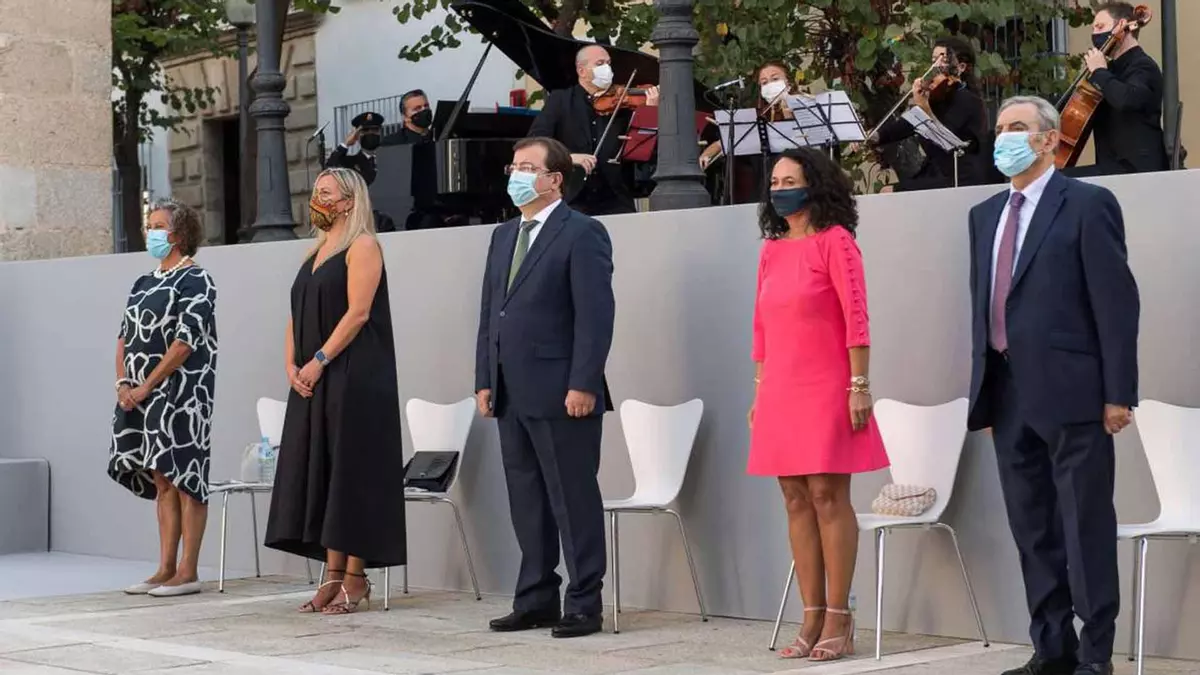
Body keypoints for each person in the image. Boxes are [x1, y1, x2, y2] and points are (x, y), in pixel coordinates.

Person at [968, 96, 1139, 675]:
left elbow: (1116, 303)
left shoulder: (1087, 204)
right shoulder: (984, 215)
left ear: (1047, 140)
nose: (1004, 137)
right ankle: (1051, 649)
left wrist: (1119, 393)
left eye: (1017, 127)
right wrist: (985, 389)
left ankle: (1095, 656)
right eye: (1000, 128)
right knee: (1033, 528)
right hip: (1007, 392)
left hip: (1074, 393)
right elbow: (986, 306)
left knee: (1084, 523)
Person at [747, 148, 889, 662]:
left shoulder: (836, 241)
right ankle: (809, 615)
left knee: (828, 494)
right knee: (793, 497)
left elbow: (857, 316)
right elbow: (761, 327)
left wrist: (859, 384)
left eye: (791, 180)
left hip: (828, 383)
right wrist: (759, 391)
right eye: (775, 182)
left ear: (816, 185)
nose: (780, 189)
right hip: (780, 386)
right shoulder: (771, 250)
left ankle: (838, 616)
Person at [474, 136, 615, 638]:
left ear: (554, 179)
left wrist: (583, 383)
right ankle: (536, 598)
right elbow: (491, 313)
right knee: (527, 500)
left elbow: (595, 317)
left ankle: (584, 603)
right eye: (513, 166)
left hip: (562, 392)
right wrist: (484, 379)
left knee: (572, 498)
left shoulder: (582, 232)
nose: (516, 174)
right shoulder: (503, 236)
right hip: (510, 390)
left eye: (527, 167)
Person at [264, 167, 407, 615]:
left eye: (325, 193)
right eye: (316, 191)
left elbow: (359, 313)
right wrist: (291, 364)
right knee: (323, 471)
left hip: (353, 375)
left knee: (352, 473)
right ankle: (332, 573)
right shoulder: (314, 253)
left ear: (348, 201)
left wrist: (320, 360)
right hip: (313, 378)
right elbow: (295, 315)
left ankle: (355, 577)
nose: (317, 199)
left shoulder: (363, 246)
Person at [109, 200, 217, 598]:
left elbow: (185, 342)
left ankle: (189, 572)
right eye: (150, 225)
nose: (151, 232)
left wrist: (147, 385)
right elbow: (124, 337)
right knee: (162, 477)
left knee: (186, 476)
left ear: (178, 233)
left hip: (183, 394)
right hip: (141, 396)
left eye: (158, 226)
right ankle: (165, 568)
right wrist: (124, 384)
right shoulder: (142, 283)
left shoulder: (196, 280)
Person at [527, 44, 659, 216]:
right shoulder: (560, 100)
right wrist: (569, 158)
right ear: (581, 71)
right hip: (572, 196)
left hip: (615, 196)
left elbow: (642, 150)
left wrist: (650, 111)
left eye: (608, 63)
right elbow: (535, 144)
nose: (607, 69)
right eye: (599, 63)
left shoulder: (623, 103)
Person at [870, 37, 990, 191]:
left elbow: (945, 138)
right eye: (934, 61)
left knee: (888, 191)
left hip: (960, 176)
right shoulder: (937, 97)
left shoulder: (968, 100)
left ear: (960, 67)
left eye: (943, 61)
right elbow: (905, 125)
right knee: (888, 190)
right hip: (936, 173)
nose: (935, 67)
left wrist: (924, 107)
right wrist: (874, 136)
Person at [1077, 1, 1168, 174]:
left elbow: (1126, 99)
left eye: (1100, 27)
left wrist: (1099, 71)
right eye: (1093, 29)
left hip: (1137, 169)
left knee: (1057, 182)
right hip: (1112, 167)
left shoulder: (1143, 66)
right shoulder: (1110, 69)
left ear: (1121, 26)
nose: (1095, 34)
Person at [699, 61, 801, 204]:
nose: (770, 85)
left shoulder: (804, 107)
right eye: (764, 82)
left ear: (788, 82)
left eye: (775, 79)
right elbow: (722, 143)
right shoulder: (757, 115)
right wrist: (706, 155)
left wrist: (790, 114)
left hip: (797, 186)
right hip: (762, 189)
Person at [325, 111, 383, 186]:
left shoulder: (390, 157)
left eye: (375, 129)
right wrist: (346, 144)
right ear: (357, 135)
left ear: (380, 132)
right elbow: (330, 168)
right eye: (365, 130)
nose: (370, 133)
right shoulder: (350, 163)